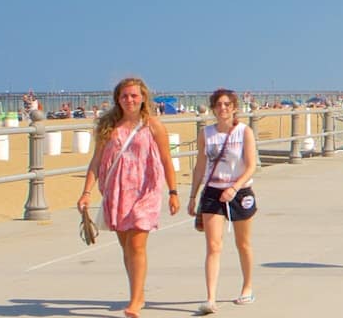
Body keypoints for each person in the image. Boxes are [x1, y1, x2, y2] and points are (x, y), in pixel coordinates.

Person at [77, 77, 181, 318]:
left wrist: (173, 193)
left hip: (146, 191)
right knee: (126, 249)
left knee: (136, 245)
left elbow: (167, 160)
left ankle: (135, 301)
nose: (130, 100)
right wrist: (86, 192)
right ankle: (138, 292)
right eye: (125, 96)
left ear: (143, 97)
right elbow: (96, 161)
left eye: (134, 95)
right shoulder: (108, 126)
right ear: (118, 99)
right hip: (117, 191)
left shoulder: (153, 125)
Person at [191, 89, 259, 315]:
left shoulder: (244, 132)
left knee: (243, 243)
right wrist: (193, 196)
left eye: (227, 104)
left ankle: (247, 287)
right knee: (213, 246)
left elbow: (251, 165)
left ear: (234, 107)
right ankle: (210, 298)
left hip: (240, 192)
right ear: (213, 108)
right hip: (213, 192)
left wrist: (234, 187)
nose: (223, 108)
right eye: (218, 105)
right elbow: (200, 165)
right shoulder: (206, 133)